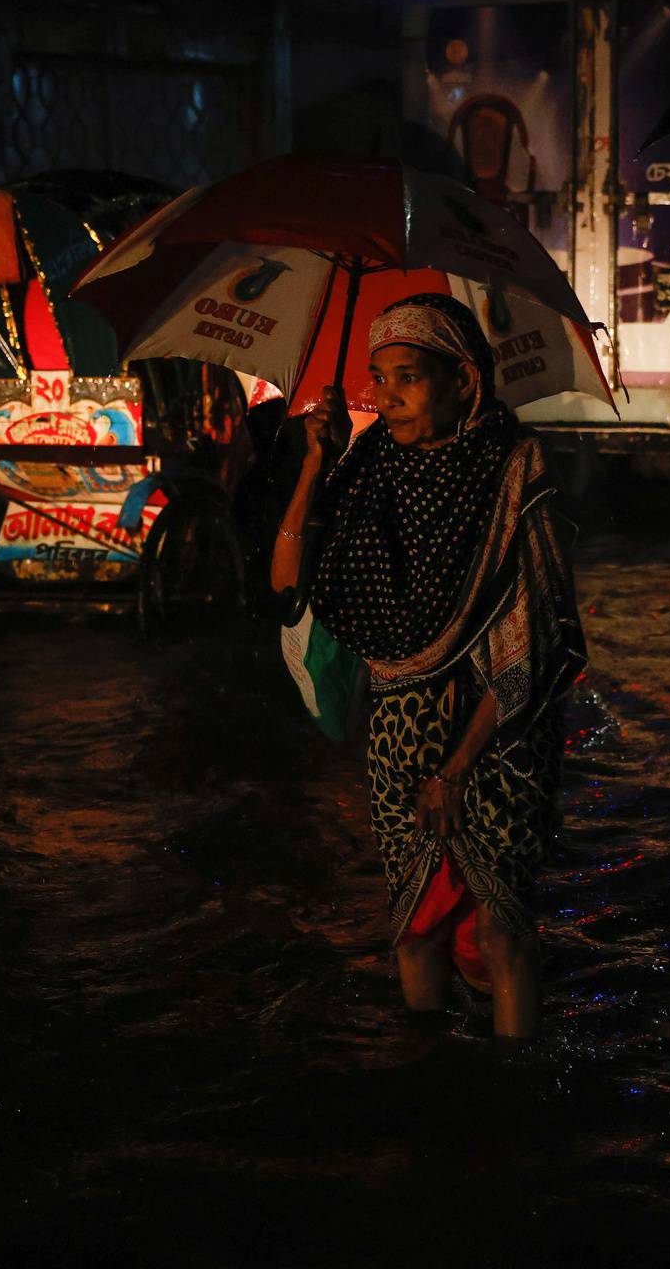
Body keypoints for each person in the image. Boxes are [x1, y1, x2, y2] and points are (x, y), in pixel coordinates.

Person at [269, 293, 585, 1043]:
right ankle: (429, 1095)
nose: (388, 397)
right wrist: (319, 464)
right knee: (414, 928)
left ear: (464, 383)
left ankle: (515, 1101)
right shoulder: (370, 465)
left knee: (502, 930)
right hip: (400, 737)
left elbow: (530, 644)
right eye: (378, 378)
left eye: (407, 376)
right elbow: (287, 588)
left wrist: (456, 771)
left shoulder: (514, 466)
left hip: (498, 736)